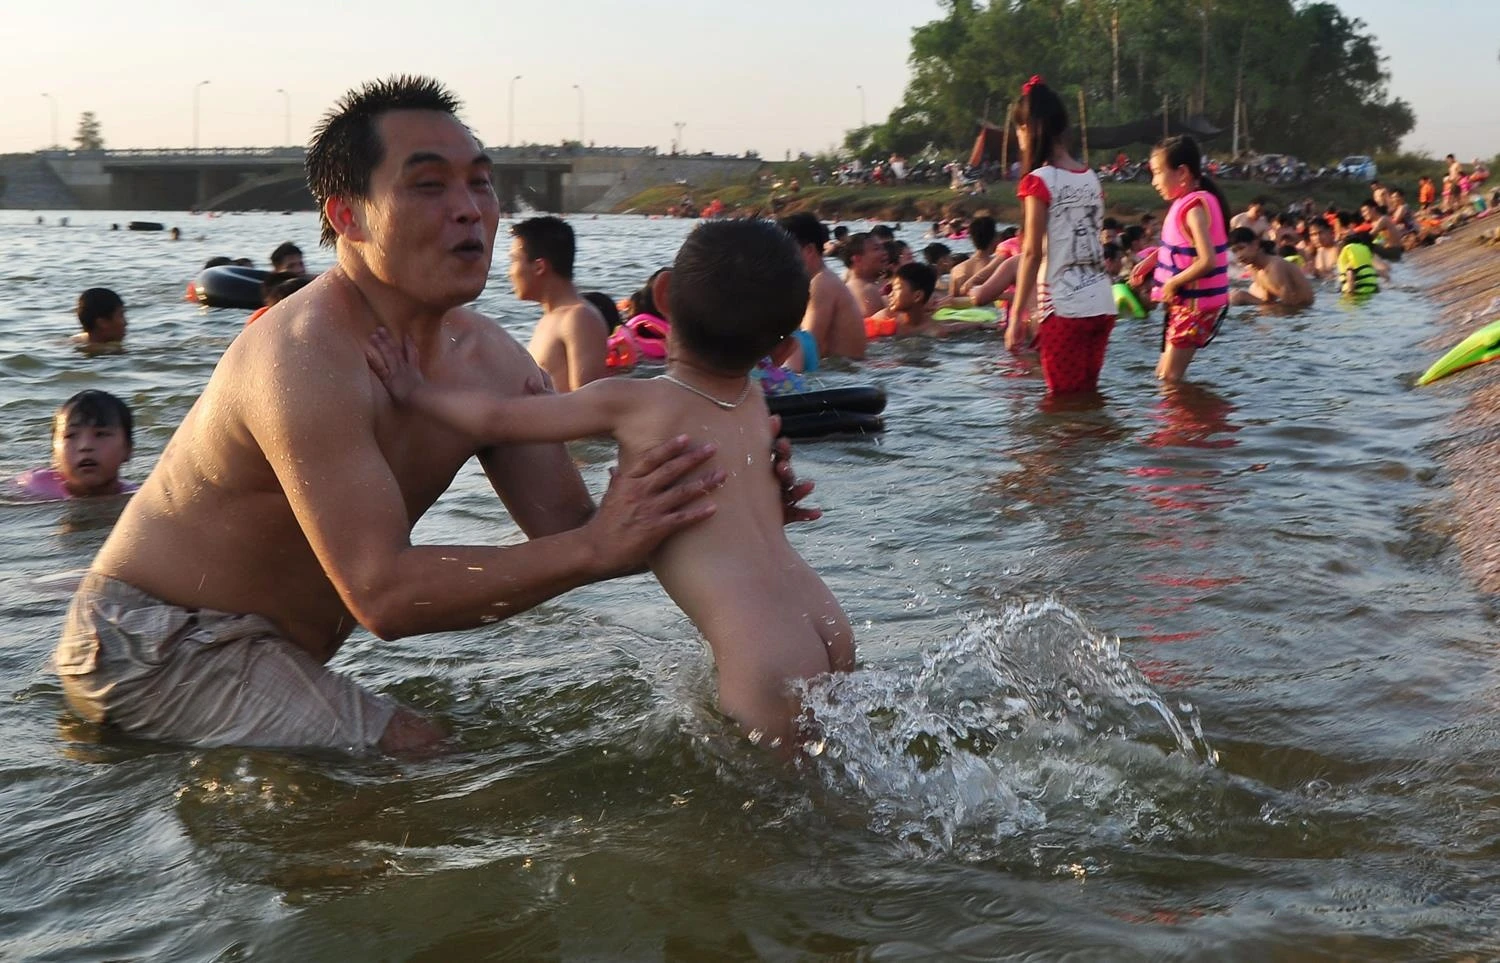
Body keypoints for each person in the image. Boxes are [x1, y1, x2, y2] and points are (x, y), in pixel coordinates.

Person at [54, 75, 814, 756]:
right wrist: (596, 547)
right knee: (421, 755)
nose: (469, 209)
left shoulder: (491, 362)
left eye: (481, 183)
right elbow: (382, 594)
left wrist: (726, 496)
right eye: (428, 186)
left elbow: (578, 528)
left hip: (272, 650)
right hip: (150, 638)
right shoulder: (304, 355)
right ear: (347, 215)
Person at [365, 219, 852, 751]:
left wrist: (414, 391)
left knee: (767, 813)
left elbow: (494, 421)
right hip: (825, 619)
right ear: (781, 339)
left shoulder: (634, 401)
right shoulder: (755, 403)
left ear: (662, 294)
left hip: (760, 656)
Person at [1005, 76, 1117, 394]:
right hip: (1101, 303)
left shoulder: (1037, 181)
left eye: (1019, 129)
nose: (1018, 137)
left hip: (1064, 309)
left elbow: (1031, 253)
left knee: (1060, 405)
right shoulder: (1090, 177)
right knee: (1086, 398)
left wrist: (1017, 316)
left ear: (1030, 128)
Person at [1145, 134, 1231, 383]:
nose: (1154, 182)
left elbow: (1207, 261)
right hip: (1186, 306)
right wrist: (1149, 262)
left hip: (1194, 308)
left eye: (1158, 172)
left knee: (1170, 379)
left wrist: (1171, 283)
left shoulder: (1194, 209)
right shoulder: (1186, 203)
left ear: (1182, 173)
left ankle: (1186, 421)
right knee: (1163, 375)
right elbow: (1179, 250)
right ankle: (1180, 418)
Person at [511, 216, 608, 393]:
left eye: (514, 260)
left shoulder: (579, 319)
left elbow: (589, 407)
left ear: (539, 266)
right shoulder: (551, 318)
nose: (510, 272)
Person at [16, 390, 137, 500]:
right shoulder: (35, 487)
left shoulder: (136, 497)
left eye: (100, 434)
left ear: (128, 449)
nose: (85, 446)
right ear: (54, 452)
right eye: (71, 435)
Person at [776, 212, 861, 361]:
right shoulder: (824, 280)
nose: (778, 259)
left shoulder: (821, 284)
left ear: (809, 250)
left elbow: (807, 351)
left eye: (783, 251)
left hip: (842, 377)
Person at [1226, 228, 1315, 309]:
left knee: (1238, 296)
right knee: (1235, 297)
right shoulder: (1253, 269)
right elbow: (1269, 301)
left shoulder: (1275, 266)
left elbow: (1290, 306)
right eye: (1235, 251)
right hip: (1289, 310)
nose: (1239, 255)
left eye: (1241, 248)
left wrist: (1244, 297)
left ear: (1256, 244)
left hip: (1303, 311)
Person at [865, 261, 939, 337]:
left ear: (917, 296)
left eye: (896, 289)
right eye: (892, 289)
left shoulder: (934, 331)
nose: (890, 295)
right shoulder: (884, 317)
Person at [948, 215, 998, 298]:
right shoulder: (1000, 266)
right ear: (994, 237)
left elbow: (951, 301)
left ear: (971, 238)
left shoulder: (956, 270)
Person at [842, 232, 888, 319]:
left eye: (883, 248)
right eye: (876, 249)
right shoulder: (867, 291)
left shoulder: (848, 286)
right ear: (857, 259)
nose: (884, 252)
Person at [1337, 230, 1383, 296]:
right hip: (1371, 292)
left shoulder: (1349, 254)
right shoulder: (1365, 255)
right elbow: (1373, 278)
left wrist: (1350, 293)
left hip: (1357, 294)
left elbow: (1350, 273)